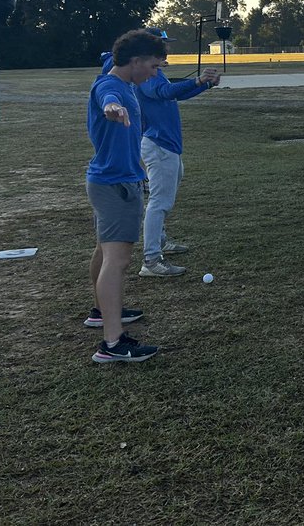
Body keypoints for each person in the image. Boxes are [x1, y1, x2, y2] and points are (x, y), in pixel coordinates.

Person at [84, 29, 168, 363]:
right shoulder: (111, 86)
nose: (155, 72)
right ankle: (113, 344)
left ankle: (101, 312)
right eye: (152, 65)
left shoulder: (126, 85)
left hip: (114, 180)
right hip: (114, 185)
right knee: (118, 261)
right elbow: (107, 100)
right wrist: (113, 108)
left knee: (105, 253)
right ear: (135, 62)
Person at [133, 29, 219, 276]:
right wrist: (197, 80)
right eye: (162, 45)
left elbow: (173, 96)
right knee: (159, 202)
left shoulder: (156, 74)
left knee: (161, 199)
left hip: (167, 145)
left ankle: (160, 242)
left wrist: (204, 85)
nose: (166, 49)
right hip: (158, 145)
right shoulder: (149, 78)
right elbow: (164, 93)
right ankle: (150, 261)